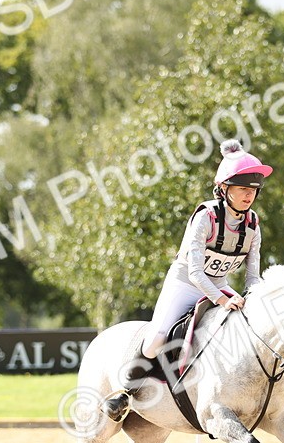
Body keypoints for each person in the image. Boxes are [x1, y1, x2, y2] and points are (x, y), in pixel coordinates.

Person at [102, 138, 272, 422]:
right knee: (157, 337)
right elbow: (195, 272)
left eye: (253, 190)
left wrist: (252, 300)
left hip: (219, 283)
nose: (248, 196)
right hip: (185, 284)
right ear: (224, 189)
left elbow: (252, 277)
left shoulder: (253, 224)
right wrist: (221, 299)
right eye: (242, 189)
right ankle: (125, 392)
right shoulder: (206, 216)